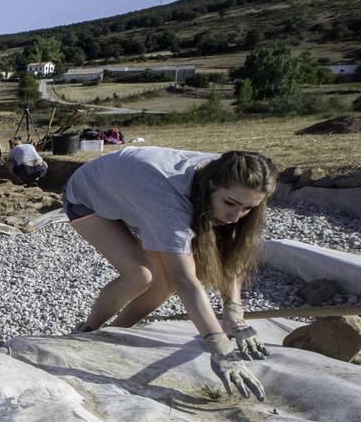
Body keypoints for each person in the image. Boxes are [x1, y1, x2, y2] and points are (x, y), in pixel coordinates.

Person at [63, 148, 277, 400]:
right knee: (140, 275)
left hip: (131, 189)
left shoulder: (231, 176)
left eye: (248, 208)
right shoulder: (168, 203)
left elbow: (228, 254)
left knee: (164, 284)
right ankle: (89, 331)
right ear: (210, 186)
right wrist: (219, 346)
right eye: (230, 204)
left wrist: (233, 311)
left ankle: (114, 334)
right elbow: (186, 281)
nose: (234, 216)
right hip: (88, 196)